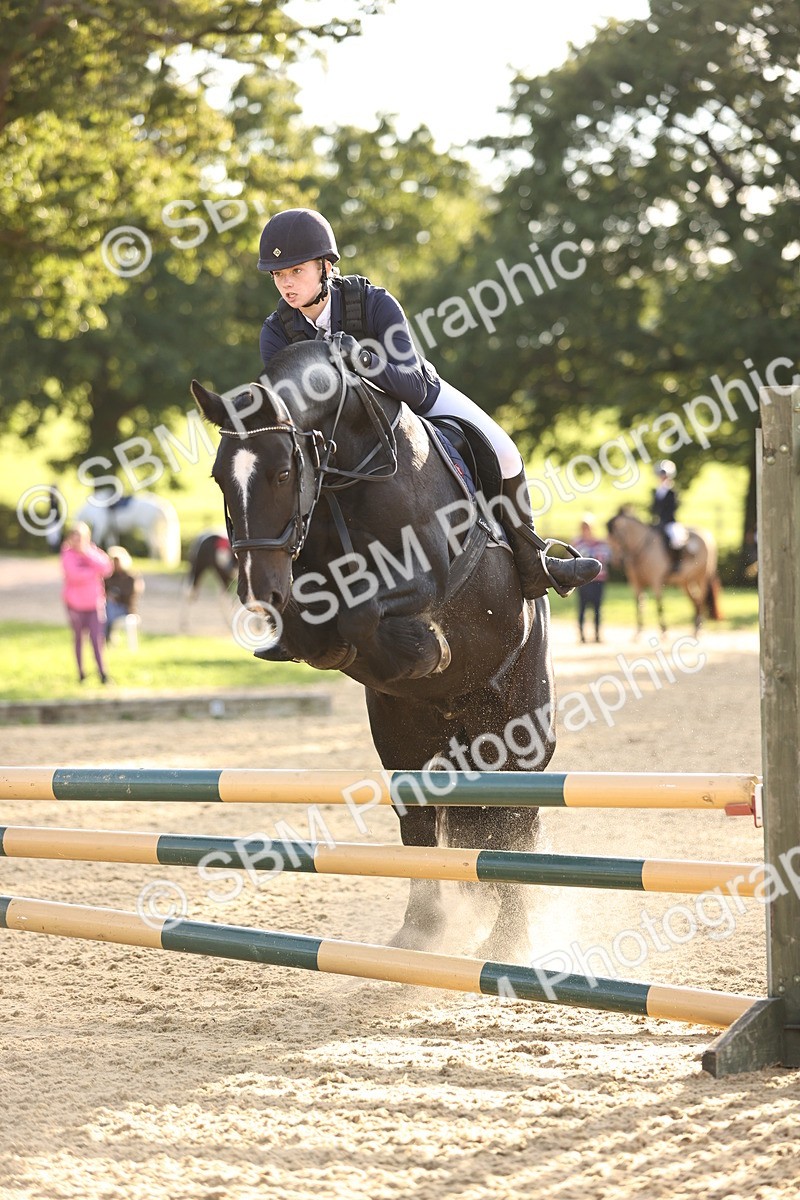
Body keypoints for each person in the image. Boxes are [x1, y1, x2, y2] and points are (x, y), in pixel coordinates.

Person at [257, 209, 602, 604]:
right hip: (343, 437)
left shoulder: (373, 303)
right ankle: (288, 599)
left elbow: (415, 388)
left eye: (295, 271)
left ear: (325, 266)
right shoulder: (276, 332)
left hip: (419, 402)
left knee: (505, 452)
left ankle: (532, 561)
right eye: (277, 275)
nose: (286, 284)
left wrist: (363, 359)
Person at [60, 522, 113, 683]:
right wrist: (93, 572)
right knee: (79, 639)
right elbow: (74, 575)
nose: (77, 542)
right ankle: (81, 672)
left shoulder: (93, 552)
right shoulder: (67, 554)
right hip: (75, 604)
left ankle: (102, 672)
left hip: (94, 603)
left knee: (97, 639)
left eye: (80, 538)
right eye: (74, 538)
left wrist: (87, 555)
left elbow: (106, 568)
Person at [573, 515, 611, 643]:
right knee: (582, 607)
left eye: (587, 527)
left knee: (597, 608)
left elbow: (607, 560)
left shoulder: (601, 543)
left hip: (598, 580)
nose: (585, 530)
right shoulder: (577, 543)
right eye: (583, 527)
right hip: (582, 581)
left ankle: (597, 634)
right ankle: (582, 635)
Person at [105, 545, 144, 649]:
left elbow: (130, 596)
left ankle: (107, 636)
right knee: (106, 607)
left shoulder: (131, 577)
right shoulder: (109, 577)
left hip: (126, 609)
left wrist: (116, 596)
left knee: (109, 608)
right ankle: (105, 636)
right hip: (111, 607)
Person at [651, 460, 686, 571]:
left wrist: (664, 520)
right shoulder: (658, 491)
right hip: (659, 521)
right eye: (661, 474)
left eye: (664, 474)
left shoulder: (672, 491)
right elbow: (655, 508)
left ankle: (676, 564)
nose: (662, 477)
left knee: (676, 540)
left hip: (670, 521)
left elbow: (672, 509)